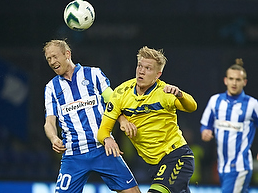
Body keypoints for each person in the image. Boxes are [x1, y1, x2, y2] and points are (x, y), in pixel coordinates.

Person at [43, 39, 141, 193]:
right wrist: (54, 138)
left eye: (55, 56)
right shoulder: (51, 88)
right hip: (73, 154)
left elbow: (112, 101)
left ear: (67, 54)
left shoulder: (94, 74)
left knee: (133, 192)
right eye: (49, 59)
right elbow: (49, 122)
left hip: (103, 148)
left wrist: (122, 121)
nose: (52, 62)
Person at [97, 46, 197, 193]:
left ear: (158, 74)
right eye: (140, 66)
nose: (141, 71)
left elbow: (192, 107)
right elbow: (103, 130)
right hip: (153, 165)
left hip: (177, 157)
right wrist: (107, 139)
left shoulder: (165, 92)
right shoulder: (121, 93)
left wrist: (180, 94)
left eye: (148, 68)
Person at [200, 58, 258, 193]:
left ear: (244, 82)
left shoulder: (252, 104)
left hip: (240, 166)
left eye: (238, 80)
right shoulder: (215, 101)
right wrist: (205, 132)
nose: (234, 83)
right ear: (225, 80)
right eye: (231, 79)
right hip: (222, 166)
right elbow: (205, 124)